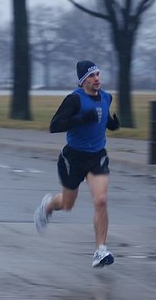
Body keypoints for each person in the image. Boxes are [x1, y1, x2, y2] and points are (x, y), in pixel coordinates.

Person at [34, 60, 121, 268]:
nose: (97, 78)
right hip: (73, 158)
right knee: (67, 204)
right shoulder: (74, 100)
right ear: (83, 81)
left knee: (100, 200)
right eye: (91, 76)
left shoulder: (106, 97)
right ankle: (47, 206)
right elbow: (54, 126)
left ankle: (100, 251)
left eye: (98, 74)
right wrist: (80, 119)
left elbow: (102, 117)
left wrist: (112, 124)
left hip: (97, 156)